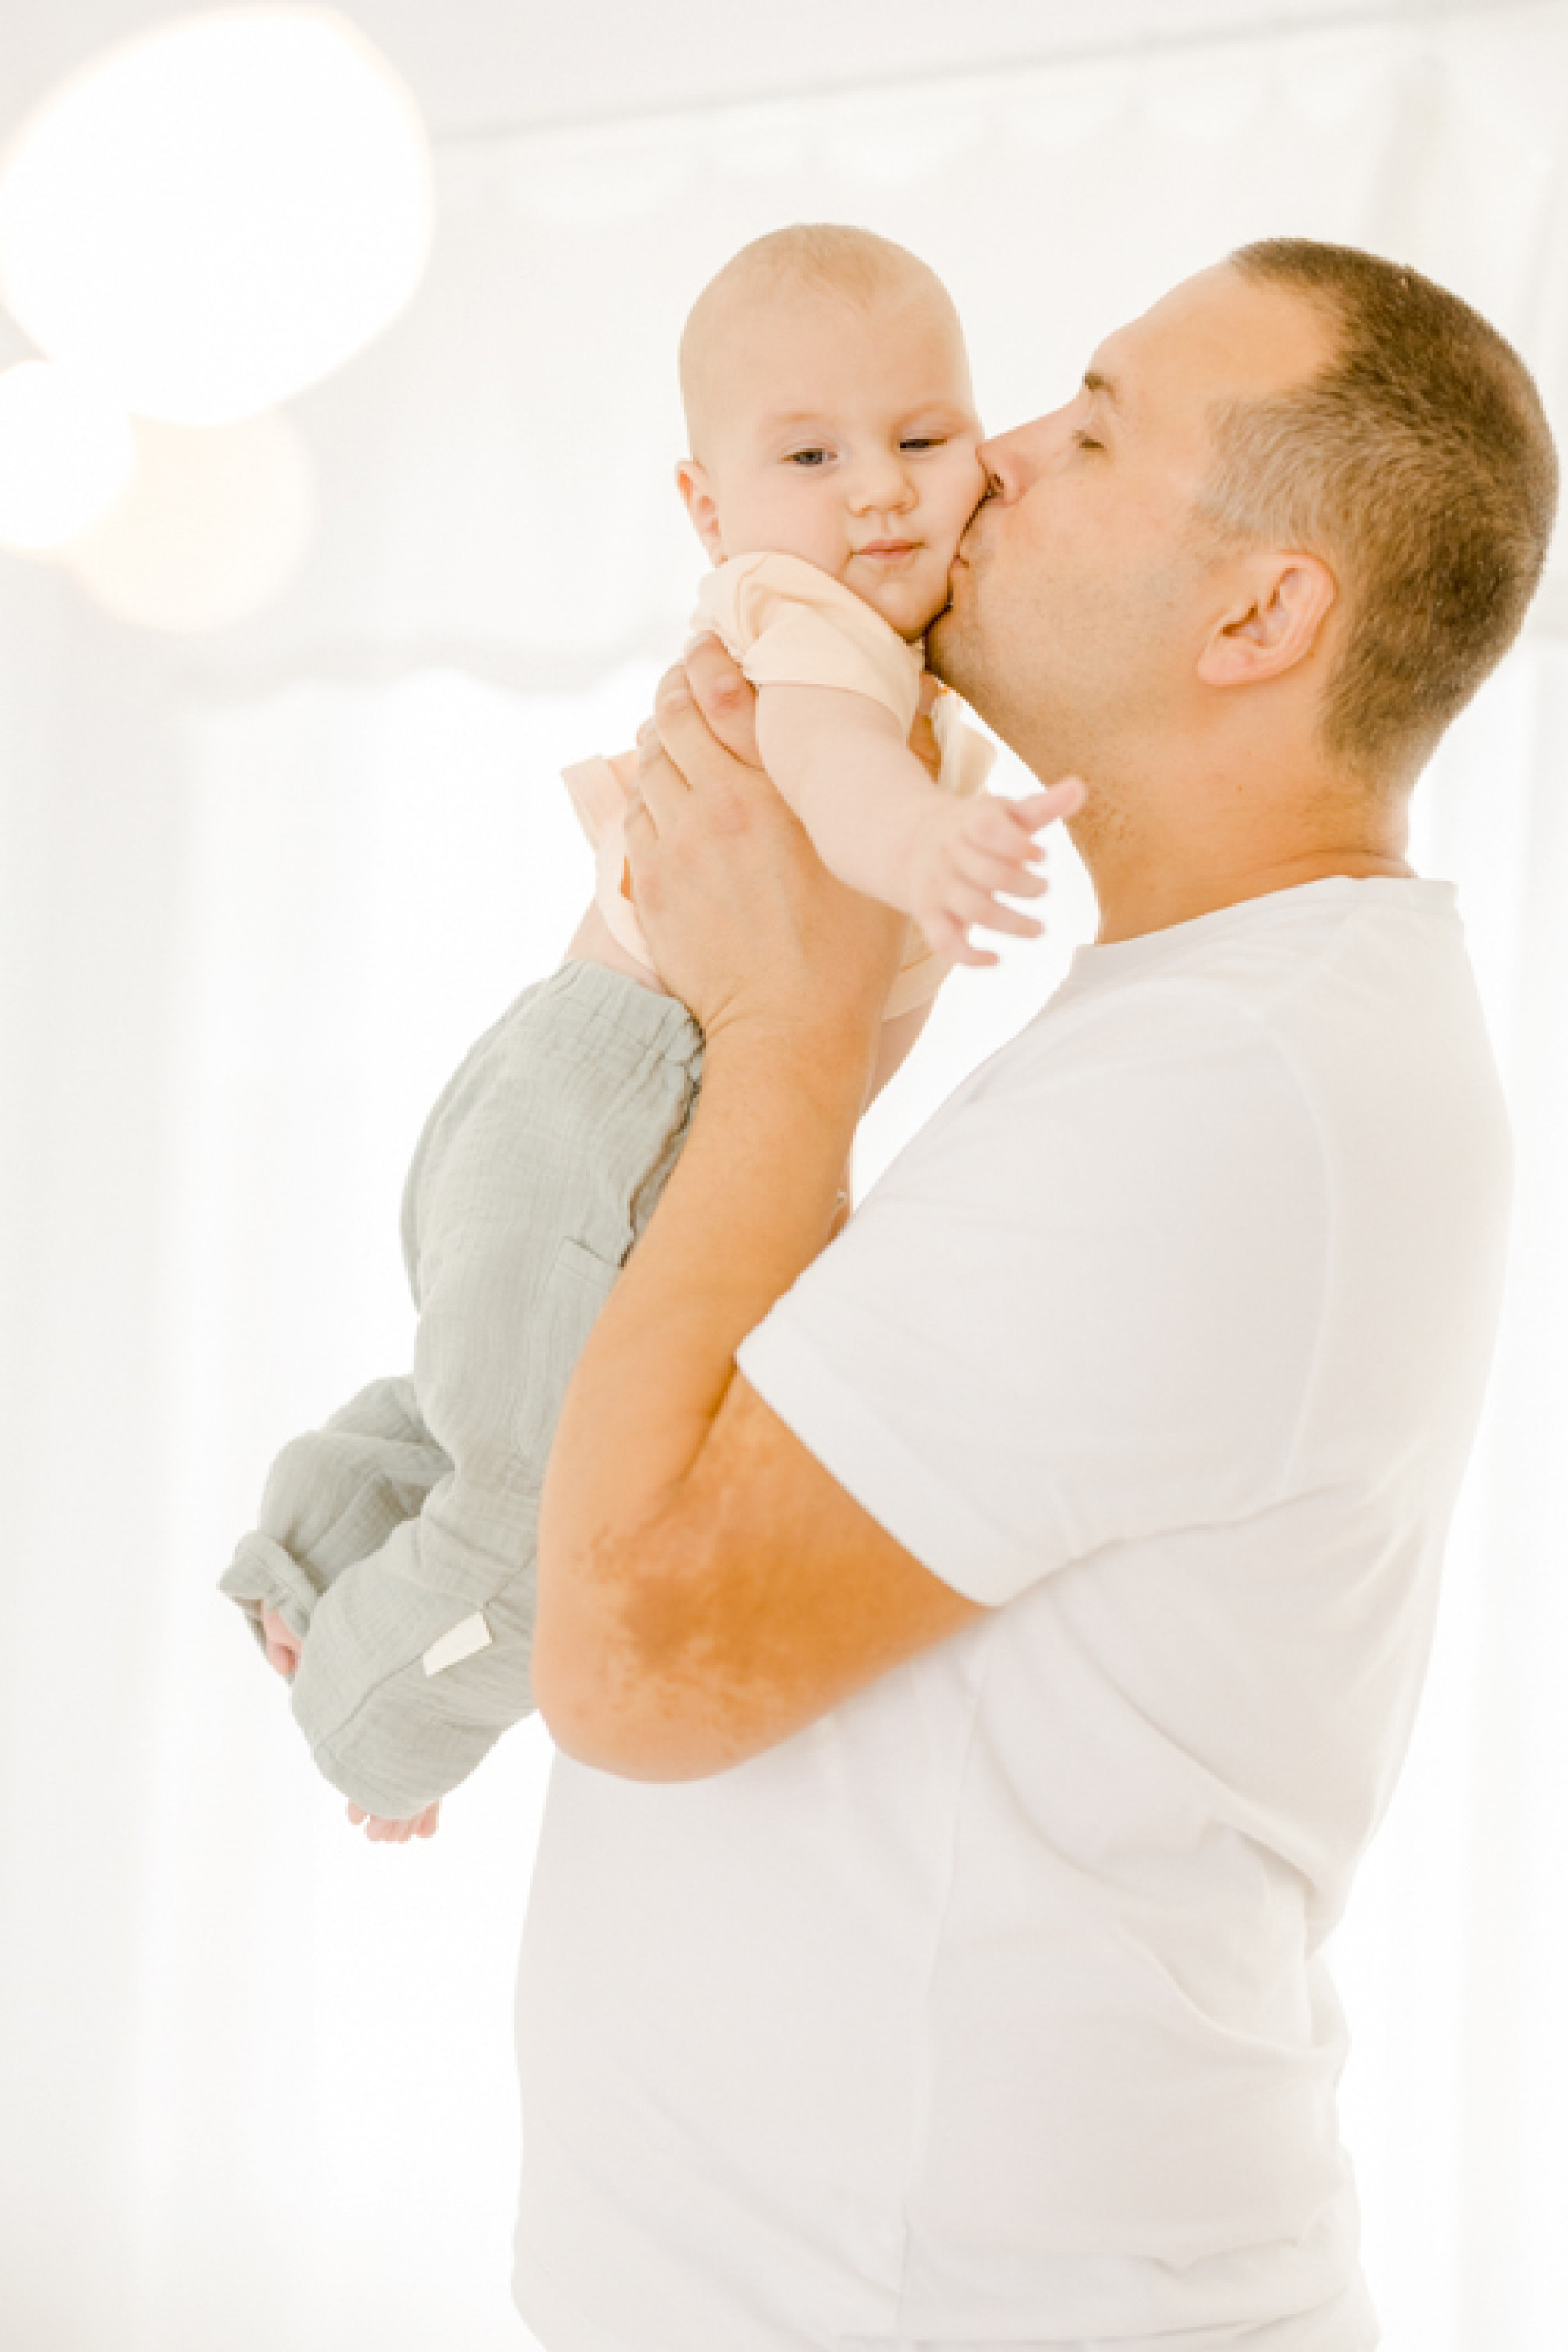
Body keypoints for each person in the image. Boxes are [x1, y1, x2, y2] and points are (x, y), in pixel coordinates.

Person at [512, 241, 1557, 2351]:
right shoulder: (1217, 1025)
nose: (977, 460)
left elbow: (636, 1653)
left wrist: (790, 1027)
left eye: (1088, 430)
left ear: (1259, 617)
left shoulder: (1235, 1084)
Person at [215, 225, 1062, 1835]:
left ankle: (318, 1554)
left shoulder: (886, 623)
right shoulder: (810, 626)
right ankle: (378, 1727)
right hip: (620, 1137)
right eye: (811, 455)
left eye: (924, 438)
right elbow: (828, 757)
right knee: (559, 1518)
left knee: (486, 1414)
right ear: (708, 508)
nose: (880, 493)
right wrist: (925, 847)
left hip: (568, 1109)